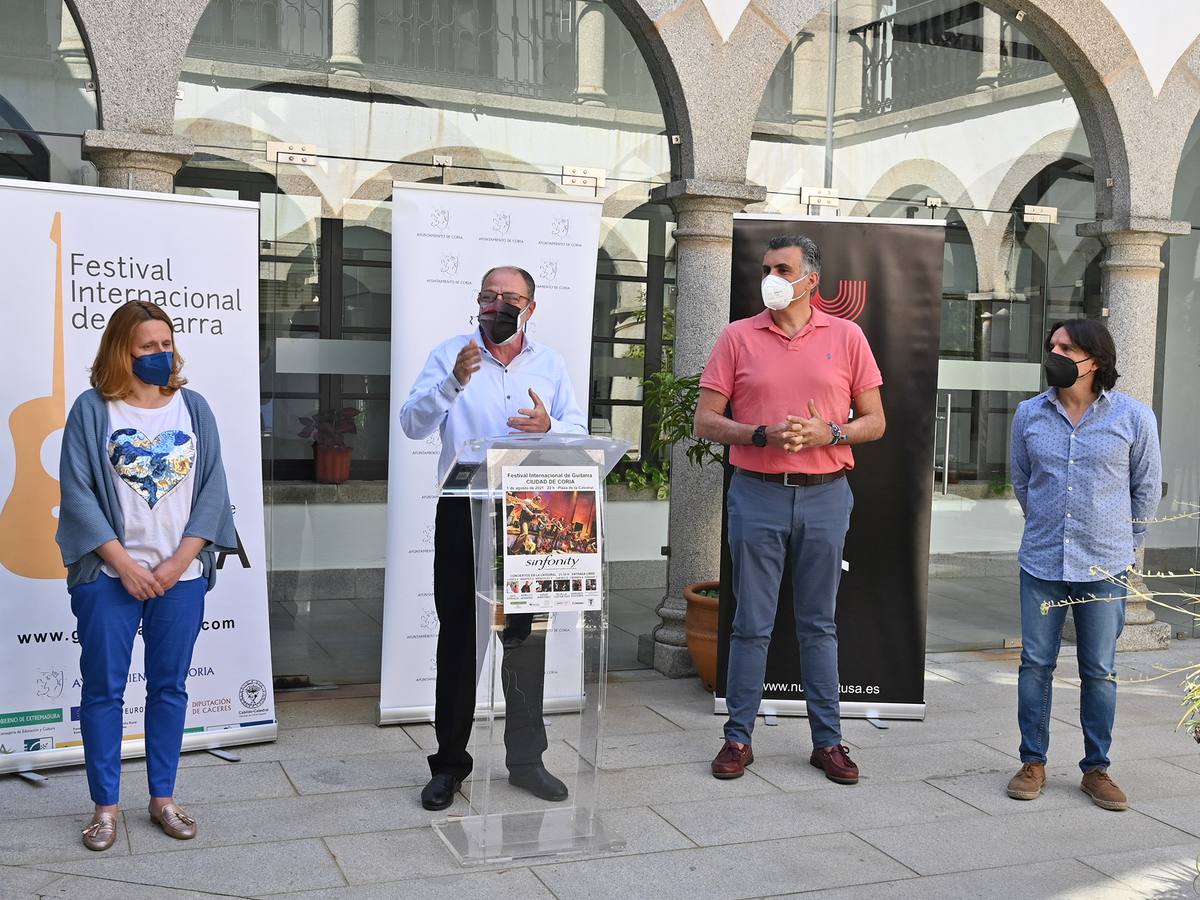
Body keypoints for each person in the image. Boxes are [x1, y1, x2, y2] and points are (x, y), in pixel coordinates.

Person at [694, 234, 885, 784]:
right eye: (766, 268)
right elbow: (706, 421)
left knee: (818, 624)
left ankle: (828, 742)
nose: (771, 277)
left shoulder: (847, 336)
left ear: (811, 280)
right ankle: (737, 737)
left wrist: (831, 430)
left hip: (827, 493)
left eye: (783, 268)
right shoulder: (737, 337)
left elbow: (876, 421)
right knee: (750, 623)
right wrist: (761, 433)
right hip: (756, 491)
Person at [400, 265, 587, 811]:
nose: (497, 304)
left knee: (525, 641)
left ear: (531, 306)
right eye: (488, 295)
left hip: (533, 511)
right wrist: (454, 382)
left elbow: (578, 427)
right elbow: (412, 424)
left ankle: (527, 761)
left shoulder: (549, 363)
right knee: (460, 639)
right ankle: (450, 765)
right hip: (466, 509)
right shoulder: (451, 354)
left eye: (510, 297)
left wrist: (549, 428)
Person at [55, 301, 237, 851]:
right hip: (110, 575)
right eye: (148, 347)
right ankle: (105, 808)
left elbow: (214, 488)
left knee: (169, 688)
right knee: (104, 691)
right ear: (121, 351)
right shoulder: (92, 410)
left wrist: (181, 561)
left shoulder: (194, 407)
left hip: (179, 577)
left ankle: (163, 798)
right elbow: (77, 492)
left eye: (167, 343)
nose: (163, 354)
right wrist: (125, 565)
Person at [1006, 319, 1161, 811]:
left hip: (1104, 566)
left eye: (1065, 346)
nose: (1054, 352)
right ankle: (1033, 761)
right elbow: (1023, 481)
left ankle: (1097, 769)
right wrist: (1051, 528)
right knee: (1035, 665)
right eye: (1051, 344)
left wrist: (1125, 545)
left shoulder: (1133, 418)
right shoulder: (1029, 414)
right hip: (1043, 562)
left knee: (1099, 670)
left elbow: (1145, 490)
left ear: (1094, 359)